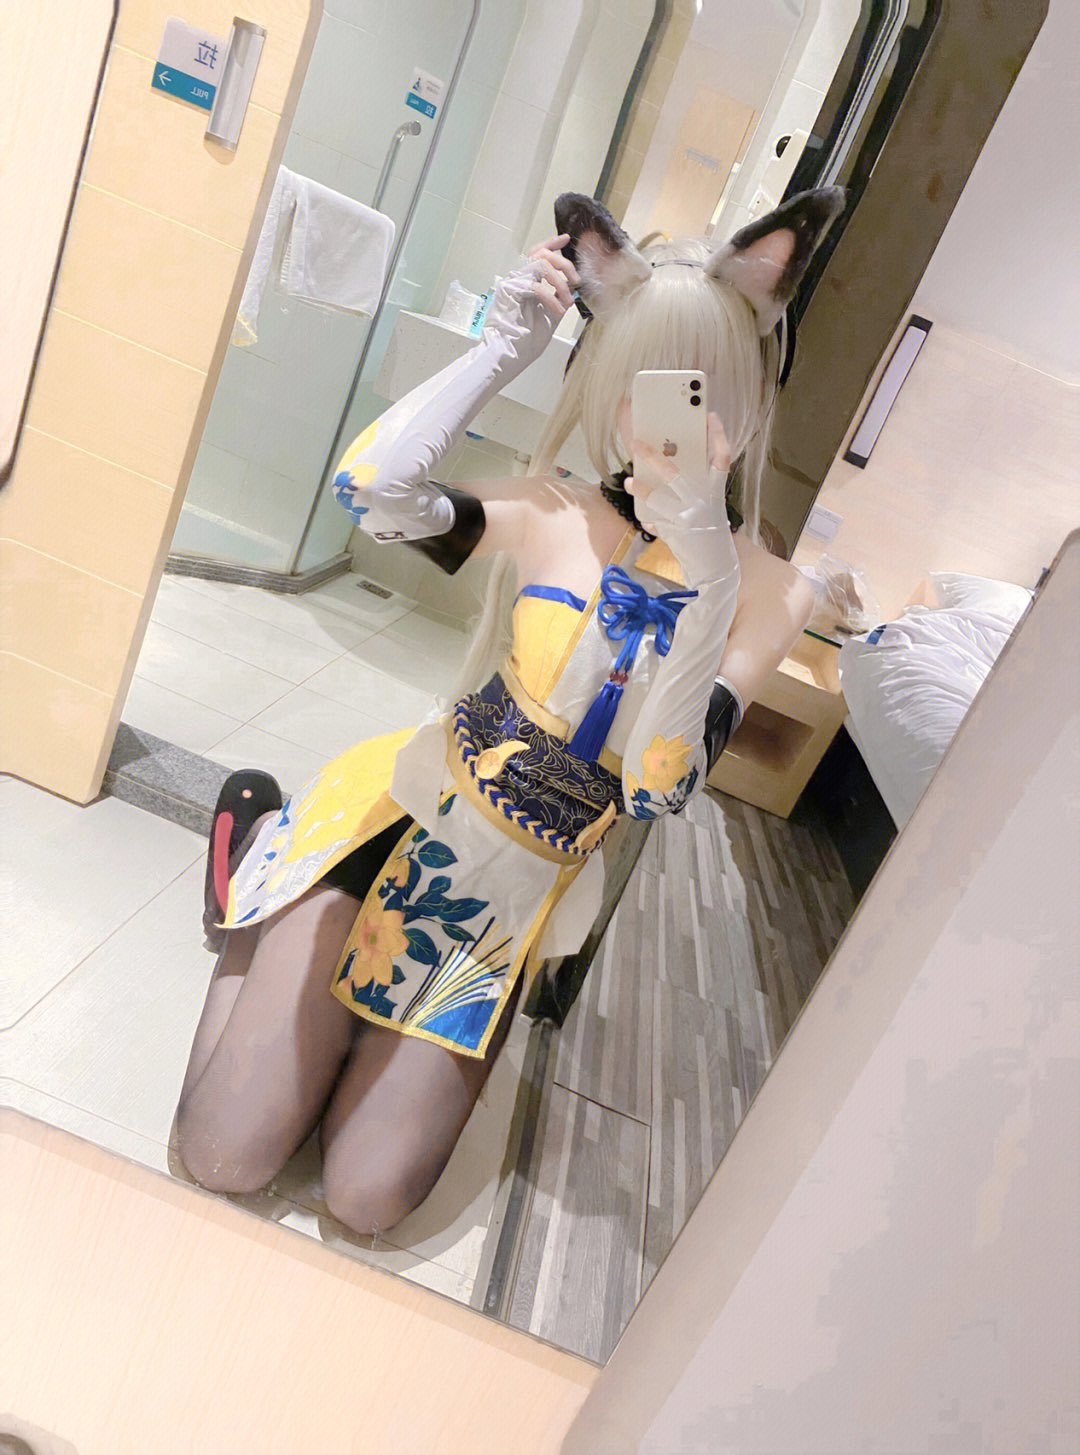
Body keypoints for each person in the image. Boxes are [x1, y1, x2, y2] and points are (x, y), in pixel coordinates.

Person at [175, 188, 843, 1239]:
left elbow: (657, 786)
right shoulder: (554, 511)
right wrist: (500, 352)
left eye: (699, 392)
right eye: (645, 384)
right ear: (610, 384)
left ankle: (345, 1012)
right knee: (224, 1156)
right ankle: (258, 865)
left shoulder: (770, 591)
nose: (665, 421)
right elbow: (371, 494)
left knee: (366, 1198)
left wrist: (709, 566)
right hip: (400, 817)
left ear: (749, 398)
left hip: (507, 900)